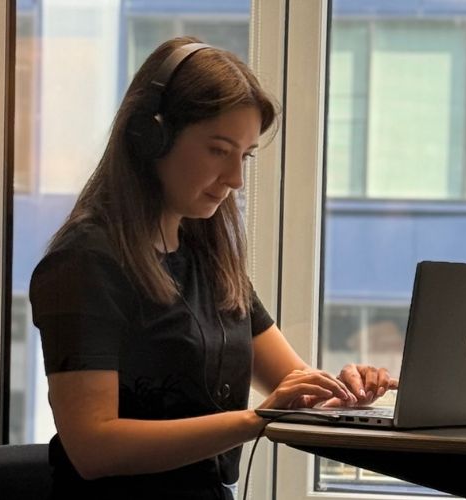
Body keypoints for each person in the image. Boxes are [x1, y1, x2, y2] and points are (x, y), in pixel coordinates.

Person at [28, 36, 398, 499]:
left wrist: (340, 392)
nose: (236, 179)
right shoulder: (82, 262)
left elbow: (291, 384)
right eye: (219, 150)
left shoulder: (206, 252)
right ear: (150, 137)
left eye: (243, 156)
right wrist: (254, 420)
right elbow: (93, 446)